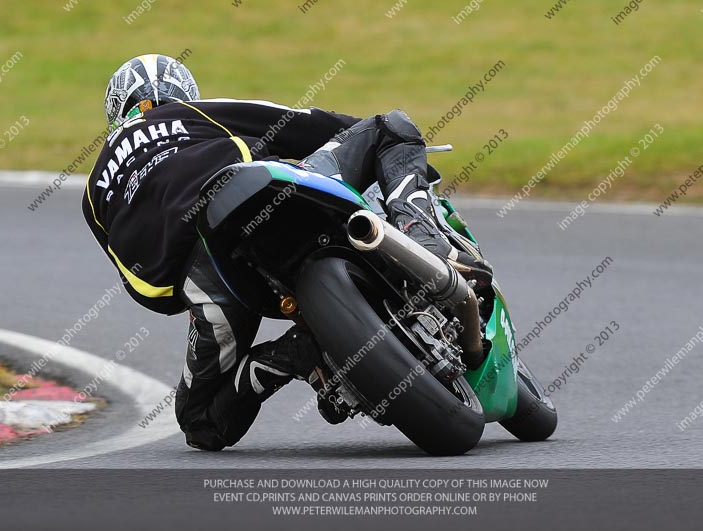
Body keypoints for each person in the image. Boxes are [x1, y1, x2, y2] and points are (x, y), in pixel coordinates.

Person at [82, 53, 492, 451]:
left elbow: (142, 287)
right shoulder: (193, 112)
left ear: (117, 111)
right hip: (261, 195)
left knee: (200, 422)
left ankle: (290, 355)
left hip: (207, 281)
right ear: (184, 93)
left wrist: (190, 290)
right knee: (390, 128)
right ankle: (422, 238)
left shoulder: (93, 194)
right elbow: (302, 122)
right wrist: (375, 148)